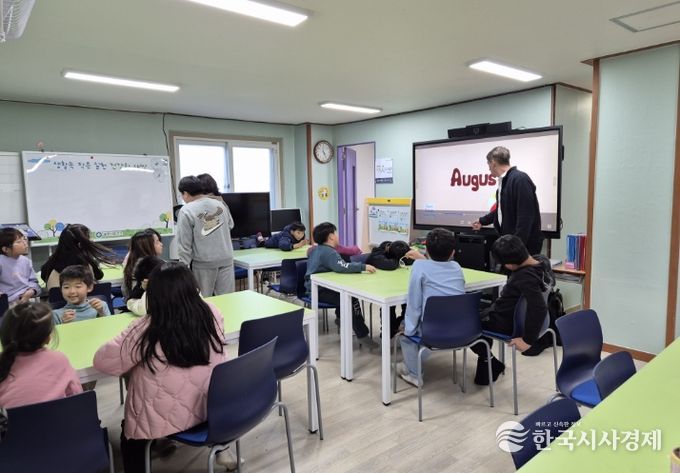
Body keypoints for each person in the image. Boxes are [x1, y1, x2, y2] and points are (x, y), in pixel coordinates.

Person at [93, 262, 228, 473]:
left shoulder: (146, 328)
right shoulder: (211, 312)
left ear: (153, 294)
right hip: (211, 406)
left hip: (164, 417)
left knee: (129, 438)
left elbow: (103, 361)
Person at [469, 235, 554, 385]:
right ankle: (488, 363)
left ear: (509, 265)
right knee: (479, 311)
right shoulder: (542, 263)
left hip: (506, 323)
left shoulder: (524, 277)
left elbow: (539, 307)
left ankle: (489, 361)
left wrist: (528, 340)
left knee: (466, 324)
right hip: (525, 318)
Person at [397, 228, 465, 387]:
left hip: (433, 330)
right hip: (462, 328)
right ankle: (409, 365)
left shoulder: (419, 266)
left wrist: (408, 329)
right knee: (420, 329)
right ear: (453, 253)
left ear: (426, 250)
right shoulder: (456, 267)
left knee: (405, 336)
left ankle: (414, 374)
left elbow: (414, 303)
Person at [0, 302, 82, 408]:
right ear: (48, 338)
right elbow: (76, 396)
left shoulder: (3, 363)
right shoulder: (59, 360)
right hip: (59, 418)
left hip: (14, 419)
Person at [304, 222, 376, 339]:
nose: (337, 235)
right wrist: (363, 267)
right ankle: (362, 334)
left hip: (314, 288)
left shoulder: (317, 249)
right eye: (335, 233)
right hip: (319, 291)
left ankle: (340, 318)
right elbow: (341, 266)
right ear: (331, 237)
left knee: (343, 293)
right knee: (350, 298)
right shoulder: (329, 252)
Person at [472, 146, 544, 255]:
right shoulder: (504, 183)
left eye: (488, 164)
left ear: (493, 163)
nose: (489, 168)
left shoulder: (520, 179)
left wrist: (516, 248)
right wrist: (482, 221)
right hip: (512, 246)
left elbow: (525, 217)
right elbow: (501, 210)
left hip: (523, 249)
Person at [176, 175, 235, 296]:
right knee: (227, 299)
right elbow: (230, 225)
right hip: (226, 260)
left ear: (185, 193)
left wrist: (183, 268)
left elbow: (184, 243)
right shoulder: (220, 204)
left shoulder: (186, 210)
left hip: (204, 263)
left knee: (203, 301)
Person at [40, 223, 113, 290]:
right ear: (81, 244)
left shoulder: (51, 261)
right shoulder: (85, 262)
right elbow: (99, 275)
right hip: (83, 300)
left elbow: (43, 276)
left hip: (55, 300)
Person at [365, 240, 413, 339]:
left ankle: (401, 326)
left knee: (410, 304)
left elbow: (410, 261)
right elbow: (390, 265)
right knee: (389, 307)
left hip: (400, 284)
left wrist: (406, 257)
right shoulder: (377, 253)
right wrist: (400, 259)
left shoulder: (398, 249)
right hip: (383, 287)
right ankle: (389, 330)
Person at [0, 228, 41, 305]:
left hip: (25, 300)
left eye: (24, 239)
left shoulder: (26, 261)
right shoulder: (1, 262)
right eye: (19, 242)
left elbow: (34, 282)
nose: (25, 243)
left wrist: (32, 291)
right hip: (7, 304)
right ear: (5, 249)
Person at [122, 229, 163, 298]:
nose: (161, 244)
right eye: (157, 242)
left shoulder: (132, 261)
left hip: (132, 301)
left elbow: (124, 291)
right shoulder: (149, 265)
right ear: (147, 246)